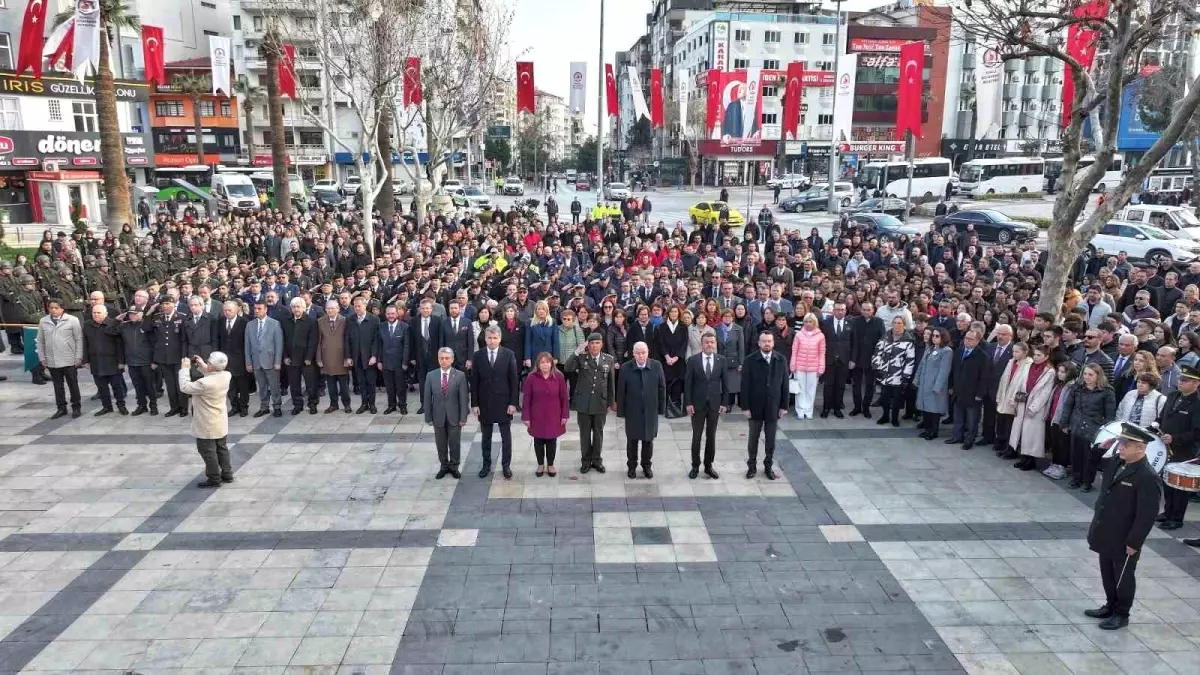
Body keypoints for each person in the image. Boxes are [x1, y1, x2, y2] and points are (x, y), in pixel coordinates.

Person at [1084, 422, 1161, 631]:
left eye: (1126, 444)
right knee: (1107, 572)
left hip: (1124, 537)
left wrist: (1134, 542)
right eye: (1120, 443)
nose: (1120, 447)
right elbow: (1092, 465)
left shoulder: (1147, 477)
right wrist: (1099, 448)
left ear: (1141, 448)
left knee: (1123, 578)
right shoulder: (1117, 462)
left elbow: (1146, 515)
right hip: (1105, 529)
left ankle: (1121, 614)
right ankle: (1110, 605)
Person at [469, 326, 519, 479]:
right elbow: (474, 381)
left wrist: (513, 403)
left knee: (506, 438)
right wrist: (474, 404)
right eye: (489, 338)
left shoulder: (509, 354)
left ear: (500, 339)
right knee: (486, 438)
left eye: (495, 338)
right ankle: (486, 465)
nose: (492, 341)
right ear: (485, 339)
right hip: (485, 403)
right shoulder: (477, 356)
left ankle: (506, 465)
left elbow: (513, 381)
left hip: (504, 402)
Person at [179, 352, 233, 488]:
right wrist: (203, 366)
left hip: (206, 423)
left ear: (211, 366)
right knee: (221, 448)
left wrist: (185, 369)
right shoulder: (226, 375)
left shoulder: (204, 383)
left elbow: (185, 387)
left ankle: (214, 478)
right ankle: (227, 473)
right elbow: (213, 374)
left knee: (208, 451)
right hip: (219, 420)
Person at [1156, 364, 1200, 530]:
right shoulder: (1174, 396)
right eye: (1180, 378)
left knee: (1180, 486)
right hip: (1166, 446)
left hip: (1184, 450)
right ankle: (1167, 511)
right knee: (1167, 481)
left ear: (1196, 384)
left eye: (1185, 380)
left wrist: (1175, 438)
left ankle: (1177, 517)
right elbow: (1163, 416)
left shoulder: (1197, 403)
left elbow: (1197, 433)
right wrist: (1158, 426)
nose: (1180, 382)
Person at [565, 332, 616, 473]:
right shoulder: (582, 358)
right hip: (584, 403)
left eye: (597, 343)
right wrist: (576, 352)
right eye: (592, 343)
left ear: (602, 344)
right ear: (588, 345)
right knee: (585, 434)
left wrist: (611, 402)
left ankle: (597, 460)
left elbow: (611, 382)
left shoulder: (608, 359)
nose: (595, 346)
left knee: (598, 433)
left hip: (600, 402)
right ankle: (586, 461)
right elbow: (568, 368)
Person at [1060, 363, 1117, 491]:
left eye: (1090, 374)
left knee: (1090, 457)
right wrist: (1064, 423)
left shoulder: (1107, 391)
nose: (1086, 377)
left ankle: (1087, 482)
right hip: (1077, 425)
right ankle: (1076, 478)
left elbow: (1110, 414)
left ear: (1098, 376)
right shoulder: (1077, 388)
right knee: (1075, 454)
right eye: (1085, 374)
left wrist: (1107, 432)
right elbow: (1068, 406)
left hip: (1094, 428)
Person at [741, 331, 789, 480]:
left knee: (771, 439)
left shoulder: (780, 359)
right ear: (759, 343)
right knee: (753, 438)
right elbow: (745, 385)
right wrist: (745, 407)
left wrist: (784, 406)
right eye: (764, 341)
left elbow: (785, 385)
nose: (767, 344)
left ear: (773, 343)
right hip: (755, 406)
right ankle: (752, 466)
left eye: (769, 341)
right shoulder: (750, 360)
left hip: (773, 406)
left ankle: (768, 466)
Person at [616, 341, 666, 479]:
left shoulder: (656, 366)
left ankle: (646, 465)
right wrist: (621, 411)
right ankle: (631, 466)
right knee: (632, 440)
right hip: (633, 410)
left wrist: (661, 408)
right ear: (633, 353)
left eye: (643, 352)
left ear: (648, 352)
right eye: (638, 353)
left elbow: (662, 387)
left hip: (650, 410)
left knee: (648, 440)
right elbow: (621, 391)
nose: (641, 355)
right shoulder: (626, 368)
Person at [1009, 344, 1059, 470]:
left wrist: (1034, 407)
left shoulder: (1050, 372)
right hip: (1023, 402)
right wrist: (1016, 399)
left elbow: (1045, 393)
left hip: (1036, 408)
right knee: (1021, 432)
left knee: (1032, 435)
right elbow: (1021, 384)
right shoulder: (1028, 366)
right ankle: (1023, 457)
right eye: (1035, 354)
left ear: (1046, 357)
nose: (1036, 357)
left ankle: (1030, 461)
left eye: (1039, 355)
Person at [684, 330, 726, 479]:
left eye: (712, 342)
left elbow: (725, 384)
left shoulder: (721, 360)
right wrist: (688, 403)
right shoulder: (693, 360)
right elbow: (688, 384)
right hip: (697, 405)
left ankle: (709, 466)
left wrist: (724, 403)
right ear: (701, 345)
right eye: (706, 342)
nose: (709, 344)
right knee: (696, 436)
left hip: (714, 404)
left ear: (715, 344)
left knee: (711, 436)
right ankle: (695, 466)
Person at [522, 351, 569, 477]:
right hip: (536, 415)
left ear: (552, 363)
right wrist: (526, 417)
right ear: (538, 364)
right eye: (542, 362)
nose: (545, 365)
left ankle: (551, 464)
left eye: (548, 362)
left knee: (551, 440)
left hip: (554, 414)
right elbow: (526, 398)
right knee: (538, 440)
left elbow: (564, 397)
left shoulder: (559, 376)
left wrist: (565, 415)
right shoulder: (531, 377)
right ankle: (540, 464)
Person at [425, 347, 469, 479]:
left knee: (454, 443)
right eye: (441, 358)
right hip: (438, 416)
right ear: (438, 359)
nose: (444, 361)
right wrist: (428, 416)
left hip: (454, 417)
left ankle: (454, 466)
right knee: (441, 443)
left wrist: (463, 417)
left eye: (447, 358)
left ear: (452, 359)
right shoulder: (431, 375)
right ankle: (444, 466)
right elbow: (427, 398)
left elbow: (464, 398)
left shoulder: (460, 375)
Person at [38, 298, 84, 419]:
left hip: (69, 358)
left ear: (62, 308)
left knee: (73, 384)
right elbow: (40, 341)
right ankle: (61, 408)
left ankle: (76, 407)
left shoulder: (72, 320)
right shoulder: (43, 321)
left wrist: (79, 356)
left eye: (56, 308)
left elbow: (79, 339)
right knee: (58, 386)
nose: (53, 310)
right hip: (52, 359)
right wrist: (42, 357)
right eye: (51, 307)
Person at [947, 329, 991, 450]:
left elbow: (984, 377)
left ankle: (969, 440)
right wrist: (951, 386)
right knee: (958, 416)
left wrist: (980, 394)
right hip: (958, 390)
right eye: (966, 338)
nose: (967, 341)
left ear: (977, 341)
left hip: (973, 393)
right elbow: (953, 370)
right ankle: (957, 436)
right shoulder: (959, 351)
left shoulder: (983, 356)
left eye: (971, 339)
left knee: (972, 419)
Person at [81, 303, 128, 416]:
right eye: (94, 313)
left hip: (113, 362)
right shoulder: (87, 325)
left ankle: (121, 406)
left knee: (117, 387)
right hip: (96, 361)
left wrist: (121, 361)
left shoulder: (113, 324)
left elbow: (120, 345)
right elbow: (85, 344)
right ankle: (106, 407)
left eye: (99, 313)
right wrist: (86, 361)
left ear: (106, 314)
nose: (96, 315)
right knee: (101, 387)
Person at [872, 316, 917, 427]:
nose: (897, 325)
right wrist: (877, 367)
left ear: (904, 325)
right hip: (884, 374)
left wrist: (906, 376)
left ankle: (895, 418)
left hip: (899, 375)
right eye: (895, 322)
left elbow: (910, 360)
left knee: (897, 400)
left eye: (899, 323)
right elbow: (877, 353)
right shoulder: (885, 337)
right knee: (884, 397)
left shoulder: (908, 341)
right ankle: (885, 416)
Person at [146, 297, 187, 417]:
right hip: (163, 357)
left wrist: (184, 356)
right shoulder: (157, 317)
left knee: (180, 384)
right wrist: (149, 312)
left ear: (173, 304)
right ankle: (174, 407)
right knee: (170, 385)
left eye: (167, 304)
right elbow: (145, 328)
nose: (165, 306)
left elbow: (184, 339)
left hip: (178, 356)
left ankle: (183, 408)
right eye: (163, 304)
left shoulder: (181, 317)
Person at [245, 299, 284, 418]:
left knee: (274, 385)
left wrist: (277, 361)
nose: (257, 311)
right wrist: (248, 362)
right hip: (256, 360)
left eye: (259, 309)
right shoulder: (250, 325)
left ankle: (277, 406)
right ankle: (264, 407)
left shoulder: (274, 323)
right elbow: (247, 345)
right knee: (261, 386)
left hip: (270, 360)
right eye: (255, 309)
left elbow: (279, 344)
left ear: (266, 309)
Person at [280, 297, 319, 415]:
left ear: (303, 308)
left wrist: (308, 358)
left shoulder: (311, 321)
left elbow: (313, 341)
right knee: (294, 384)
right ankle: (297, 405)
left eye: (298, 307)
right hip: (291, 359)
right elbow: (283, 340)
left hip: (307, 359)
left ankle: (313, 404)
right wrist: (285, 356)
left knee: (311, 384)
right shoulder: (286, 321)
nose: (296, 309)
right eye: (294, 307)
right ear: (291, 308)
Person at [993, 342, 1031, 458]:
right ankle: (1001, 443)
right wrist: (999, 396)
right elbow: (1003, 379)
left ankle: (1010, 449)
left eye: (1017, 351)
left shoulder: (1028, 364)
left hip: (1014, 400)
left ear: (1025, 352)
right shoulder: (1011, 362)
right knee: (1001, 422)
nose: (1014, 354)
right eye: (1013, 351)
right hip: (1005, 397)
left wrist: (1015, 399)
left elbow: (1023, 384)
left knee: (1011, 426)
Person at [410, 299, 446, 414]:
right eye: (423, 308)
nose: (425, 310)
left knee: (435, 381)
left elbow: (441, 339)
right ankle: (424, 404)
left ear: (431, 309)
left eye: (427, 308)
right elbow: (412, 340)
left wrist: (441, 355)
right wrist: (412, 357)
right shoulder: (414, 321)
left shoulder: (438, 320)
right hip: (420, 357)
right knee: (422, 381)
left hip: (434, 357)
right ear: (420, 309)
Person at [849, 302, 884, 418]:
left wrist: (878, 358)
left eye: (868, 310)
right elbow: (851, 340)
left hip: (872, 358)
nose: (866, 312)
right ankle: (857, 407)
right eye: (864, 309)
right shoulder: (855, 321)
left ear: (873, 310)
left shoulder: (879, 322)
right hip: (857, 357)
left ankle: (866, 407)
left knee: (870, 385)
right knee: (856, 384)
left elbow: (882, 341)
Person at [317, 300, 353, 413]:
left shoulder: (345, 320)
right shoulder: (320, 321)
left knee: (344, 385)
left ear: (338, 309)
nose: (330, 310)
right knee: (331, 385)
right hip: (327, 357)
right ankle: (333, 404)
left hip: (341, 357)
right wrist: (319, 358)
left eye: (333, 308)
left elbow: (349, 340)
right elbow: (318, 341)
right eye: (328, 308)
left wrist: (348, 357)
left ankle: (347, 404)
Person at [347, 297, 381, 414]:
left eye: (359, 306)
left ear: (365, 306)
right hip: (356, 357)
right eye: (355, 306)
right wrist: (349, 356)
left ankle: (372, 404)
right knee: (361, 382)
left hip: (369, 357)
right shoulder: (350, 319)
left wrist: (374, 355)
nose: (357, 308)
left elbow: (376, 340)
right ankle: (363, 403)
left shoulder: (374, 319)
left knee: (371, 382)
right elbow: (347, 340)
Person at [789, 313, 826, 420]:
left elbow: (822, 353)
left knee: (811, 390)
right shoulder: (799, 335)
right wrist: (793, 364)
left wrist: (821, 367)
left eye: (810, 321)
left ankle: (808, 411)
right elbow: (794, 350)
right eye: (806, 321)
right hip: (799, 367)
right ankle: (800, 410)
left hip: (813, 368)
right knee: (800, 390)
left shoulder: (820, 336)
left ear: (815, 323)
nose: (808, 324)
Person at [216, 301, 249, 417]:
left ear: (236, 310)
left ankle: (244, 406)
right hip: (225, 360)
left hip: (240, 359)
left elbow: (247, 342)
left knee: (243, 385)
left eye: (229, 310)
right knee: (230, 386)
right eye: (225, 310)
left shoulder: (244, 323)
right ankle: (234, 406)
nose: (227, 312)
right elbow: (218, 339)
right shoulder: (220, 322)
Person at [377, 304, 410, 414]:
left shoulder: (404, 327)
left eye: (392, 313)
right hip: (386, 362)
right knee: (389, 386)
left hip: (399, 362)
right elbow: (379, 345)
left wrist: (405, 362)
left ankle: (403, 405)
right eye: (388, 313)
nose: (390, 315)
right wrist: (379, 361)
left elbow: (406, 345)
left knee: (400, 386)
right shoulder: (381, 326)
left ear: (397, 314)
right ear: (385, 314)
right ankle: (392, 406)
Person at [821, 303, 853, 418]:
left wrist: (852, 359)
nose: (840, 312)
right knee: (828, 385)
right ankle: (826, 408)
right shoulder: (825, 323)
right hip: (829, 358)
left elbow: (853, 342)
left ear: (845, 311)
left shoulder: (850, 323)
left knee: (840, 385)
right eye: (838, 309)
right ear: (833, 310)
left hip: (844, 359)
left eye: (842, 310)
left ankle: (837, 408)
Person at [716, 310, 745, 410]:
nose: (727, 318)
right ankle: (722, 402)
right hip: (719, 358)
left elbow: (741, 347)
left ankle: (729, 404)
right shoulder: (716, 328)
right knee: (721, 382)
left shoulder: (738, 329)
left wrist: (741, 362)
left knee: (732, 383)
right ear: (722, 317)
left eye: (729, 316)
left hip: (733, 360)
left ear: (733, 318)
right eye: (725, 316)